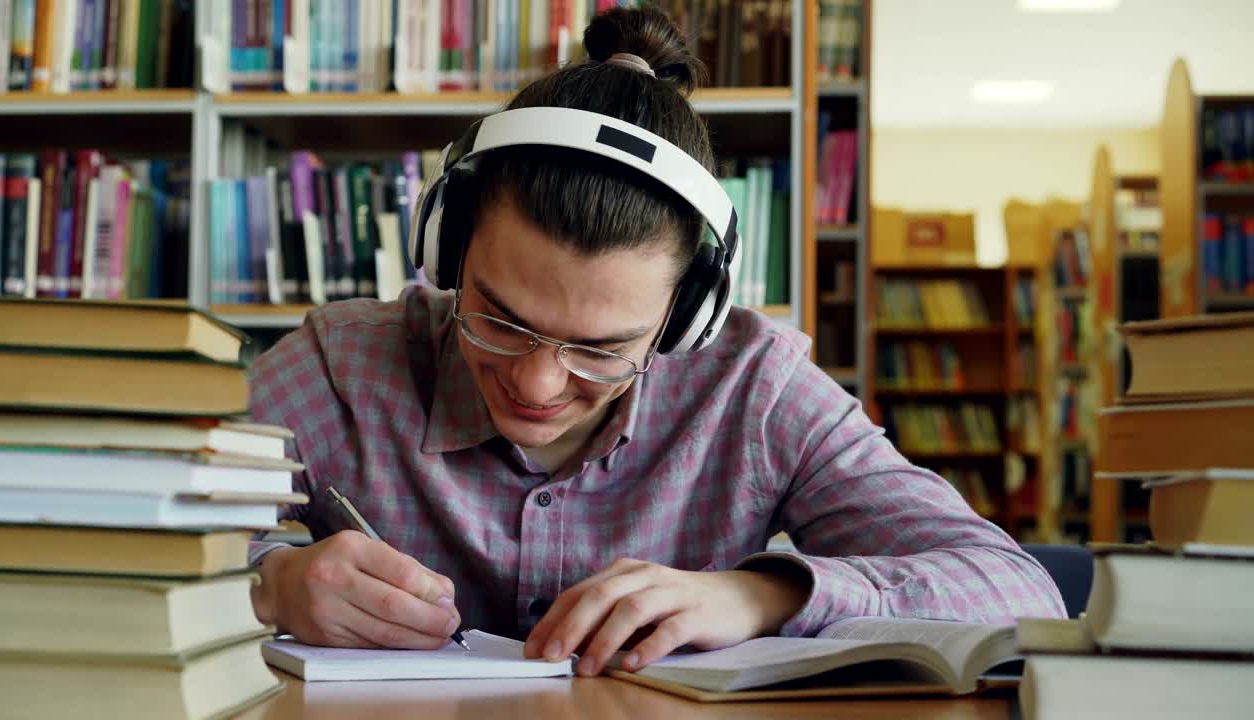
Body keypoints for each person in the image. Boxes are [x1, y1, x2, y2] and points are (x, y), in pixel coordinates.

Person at [247, 6, 1064, 679]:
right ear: (447, 247)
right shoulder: (338, 366)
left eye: (601, 349)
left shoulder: (754, 387)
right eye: (499, 318)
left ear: (687, 316)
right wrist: (270, 582)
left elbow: (1019, 594)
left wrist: (761, 597)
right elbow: (131, 545)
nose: (536, 384)